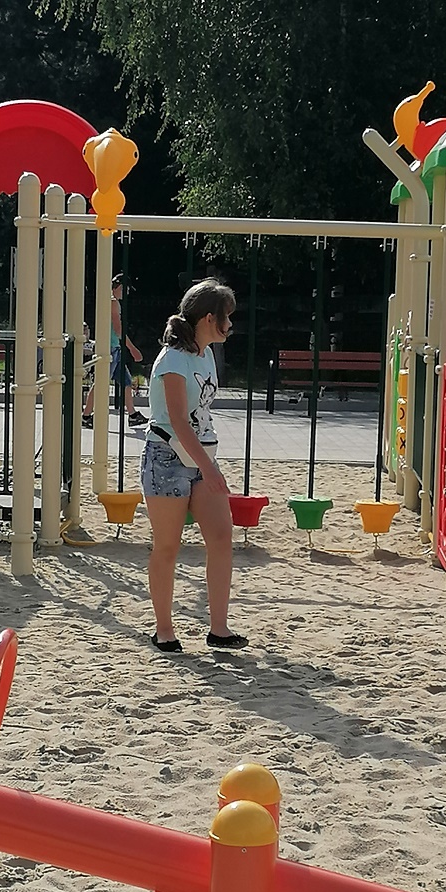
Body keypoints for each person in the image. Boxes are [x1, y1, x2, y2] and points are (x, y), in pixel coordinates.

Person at [141, 278, 246, 653]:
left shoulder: (205, 355)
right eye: (225, 317)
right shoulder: (172, 359)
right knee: (167, 546)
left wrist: (208, 464)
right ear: (207, 319)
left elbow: (199, 416)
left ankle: (219, 629)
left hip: (201, 456)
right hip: (167, 457)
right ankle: (164, 630)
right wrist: (211, 468)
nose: (230, 324)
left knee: (221, 536)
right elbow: (178, 420)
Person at [82, 273, 147, 429]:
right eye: (126, 289)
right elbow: (118, 329)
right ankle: (86, 416)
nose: (127, 292)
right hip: (110, 349)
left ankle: (132, 415)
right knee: (101, 383)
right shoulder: (113, 303)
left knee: (126, 382)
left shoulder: (110, 301)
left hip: (113, 348)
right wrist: (132, 349)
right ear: (119, 287)